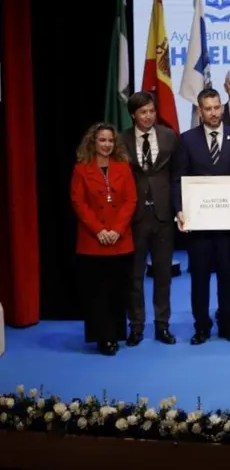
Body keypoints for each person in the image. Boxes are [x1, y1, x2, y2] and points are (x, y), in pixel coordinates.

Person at [173, 88, 230, 345]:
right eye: (207, 109)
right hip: (199, 225)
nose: (213, 113)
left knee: (228, 276)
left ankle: (229, 326)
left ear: (222, 107)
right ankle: (201, 327)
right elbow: (178, 179)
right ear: (200, 111)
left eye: (216, 107)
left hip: (229, 224)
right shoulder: (187, 140)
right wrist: (179, 210)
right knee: (199, 279)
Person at [70, 123, 137, 356]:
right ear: (93, 142)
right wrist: (99, 230)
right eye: (102, 140)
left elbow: (130, 201)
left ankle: (117, 333)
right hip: (92, 241)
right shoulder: (81, 169)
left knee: (118, 291)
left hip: (120, 240)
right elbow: (79, 203)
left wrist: (116, 230)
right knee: (97, 293)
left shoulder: (124, 167)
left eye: (110, 141)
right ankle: (103, 337)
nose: (107, 145)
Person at [121, 92, 178, 346]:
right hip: (134, 217)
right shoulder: (121, 140)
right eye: (143, 112)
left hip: (163, 215)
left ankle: (162, 325)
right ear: (133, 114)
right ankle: (136, 325)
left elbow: (177, 175)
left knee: (163, 273)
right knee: (134, 275)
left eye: (151, 111)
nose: (148, 116)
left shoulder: (168, 136)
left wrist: (179, 208)